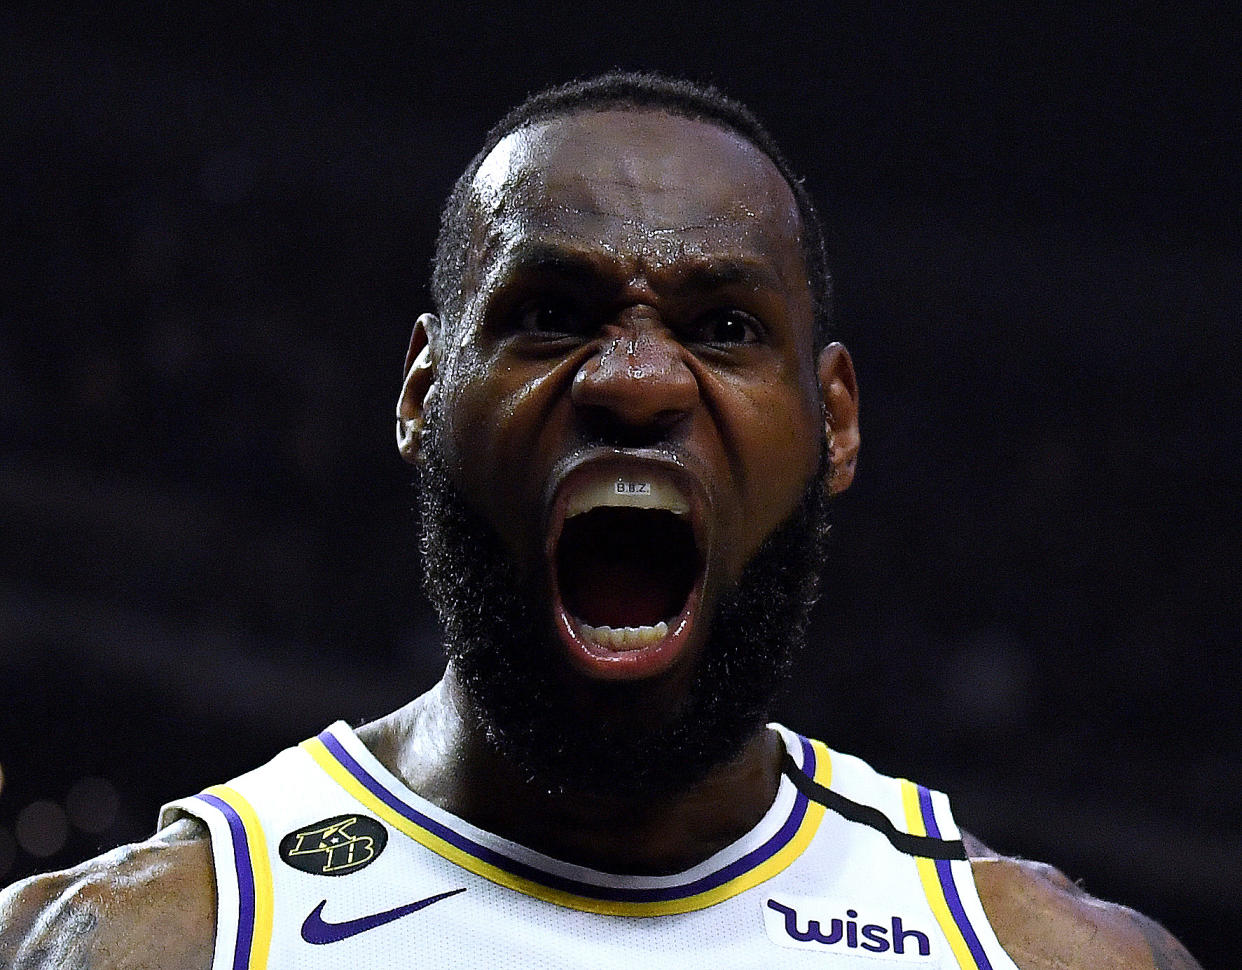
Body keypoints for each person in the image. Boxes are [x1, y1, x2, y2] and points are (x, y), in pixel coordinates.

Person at [0, 72, 1200, 970]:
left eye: (724, 327)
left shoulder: (1046, 955)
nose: (634, 379)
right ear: (423, 396)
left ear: (832, 420)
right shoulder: (127, 943)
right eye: (550, 314)